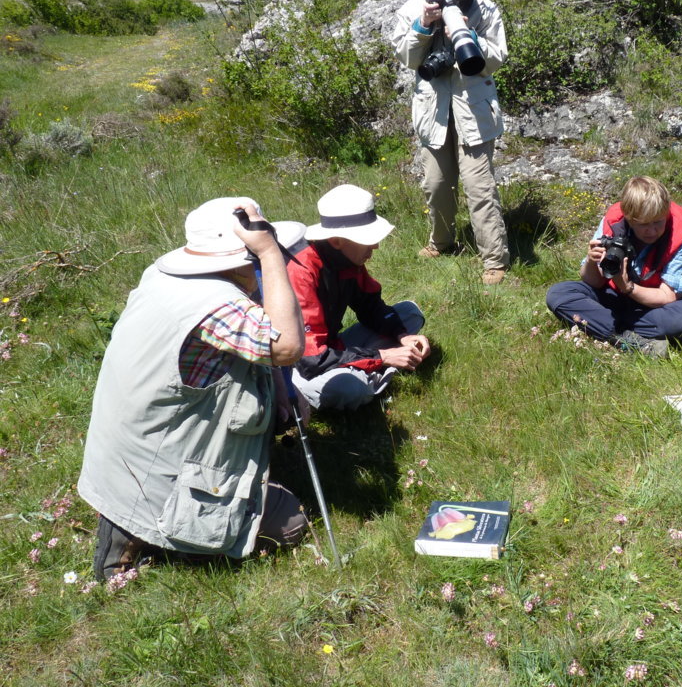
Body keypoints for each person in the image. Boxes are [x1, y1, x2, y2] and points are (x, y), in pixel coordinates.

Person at [78, 198, 309, 582]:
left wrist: (278, 391)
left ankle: (141, 518)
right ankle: (160, 534)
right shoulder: (217, 306)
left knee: (281, 411)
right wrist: (269, 254)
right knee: (290, 521)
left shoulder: (163, 277)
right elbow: (287, 346)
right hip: (158, 471)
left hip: (125, 452)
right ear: (245, 254)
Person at [391, 0, 510, 285]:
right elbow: (407, 59)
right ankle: (441, 243)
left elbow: (498, 57)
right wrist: (424, 26)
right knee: (436, 184)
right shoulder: (411, 10)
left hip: (474, 110)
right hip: (433, 113)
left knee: (479, 187)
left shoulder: (485, 9)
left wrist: (470, 38)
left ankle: (494, 260)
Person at [287, 184, 430, 411]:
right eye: (367, 239)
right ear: (336, 240)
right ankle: (368, 377)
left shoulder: (345, 256)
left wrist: (402, 336)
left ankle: (369, 371)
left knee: (409, 312)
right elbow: (311, 359)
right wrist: (383, 356)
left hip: (331, 347)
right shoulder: (301, 271)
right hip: (296, 366)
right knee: (348, 387)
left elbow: (370, 306)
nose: (376, 246)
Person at [545, 176, 682, 357]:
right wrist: (591, 261)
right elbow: (594, 282)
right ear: (629, 217)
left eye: (658, 222)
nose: (652, 231)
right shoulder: (613, 220)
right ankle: (630, 339)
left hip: (658, 306)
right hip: (616, 297)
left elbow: (667, 296)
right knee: (559, 293)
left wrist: (628, 287)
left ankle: (605, 326)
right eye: (643, 224)